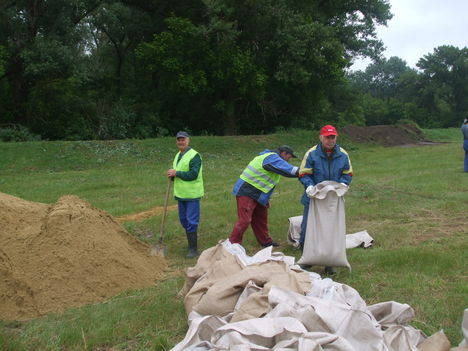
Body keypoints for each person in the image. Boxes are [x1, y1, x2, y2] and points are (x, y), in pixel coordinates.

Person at [298, 125, 353, 275]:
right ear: (321, 137)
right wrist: (309, 186)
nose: (330, 140)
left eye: (333, 137)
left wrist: (343, 183)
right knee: (308, 229)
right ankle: (308, 260)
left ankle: (329, 263)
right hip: (314, 198)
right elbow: (303, 173)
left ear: (336, 137)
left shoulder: (343, 154)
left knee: (331, 231)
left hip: (333, 200)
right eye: (327, 137)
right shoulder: (311, 154)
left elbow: (348, 173)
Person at [229, 146, 299, 247]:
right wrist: (306, 171)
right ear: (284, 153)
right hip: (247, 191)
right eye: (289, 157)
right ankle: (232, 244)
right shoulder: (272, 158)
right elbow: (290, 171)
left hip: (258, 194)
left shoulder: (271, 159)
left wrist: (266, 199)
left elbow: (265, 181)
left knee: (261, 219)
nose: (289, 159)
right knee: (244, 220)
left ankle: (265, 242)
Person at [167, 131, 203, 258]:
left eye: (183, 140)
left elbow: (193, 174)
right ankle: (190, 243)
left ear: (188, 141)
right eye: (178, 140)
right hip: (181, 194)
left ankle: (193, 249)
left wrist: (177, 173)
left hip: (192, 194)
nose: (180, 142)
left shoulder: (195, 156)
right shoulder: (178, 155)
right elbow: (179, 171)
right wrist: (172, 176)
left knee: (191, 220)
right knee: (183, 220)